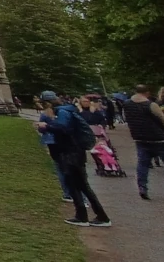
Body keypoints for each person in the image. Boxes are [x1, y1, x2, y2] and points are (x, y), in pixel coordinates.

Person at [39, 92, 112, 227]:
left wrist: (46, 126)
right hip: (73, 152)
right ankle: (95, 216)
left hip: (71, 153)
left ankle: (86, 216)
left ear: (47, 103)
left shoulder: (63, 112)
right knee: (80, 185)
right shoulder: (66, 110)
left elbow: (64, 128)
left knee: (76, 185)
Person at [123, 84, 164, 201]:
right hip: (159, 139)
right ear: (147, 93)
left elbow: (126, 118)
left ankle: (142, 188)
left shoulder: (126, 104)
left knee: (142, 164)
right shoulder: (150, 104)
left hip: (139, 138)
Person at [36, 95, 74, 202]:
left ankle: (67, 193)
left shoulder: (45, 114)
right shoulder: (66, 111)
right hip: (66, 142)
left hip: (52, 142)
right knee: (69, 166)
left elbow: (42, 130)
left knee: (60, 167)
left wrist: (44, 126)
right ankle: (75, 193)